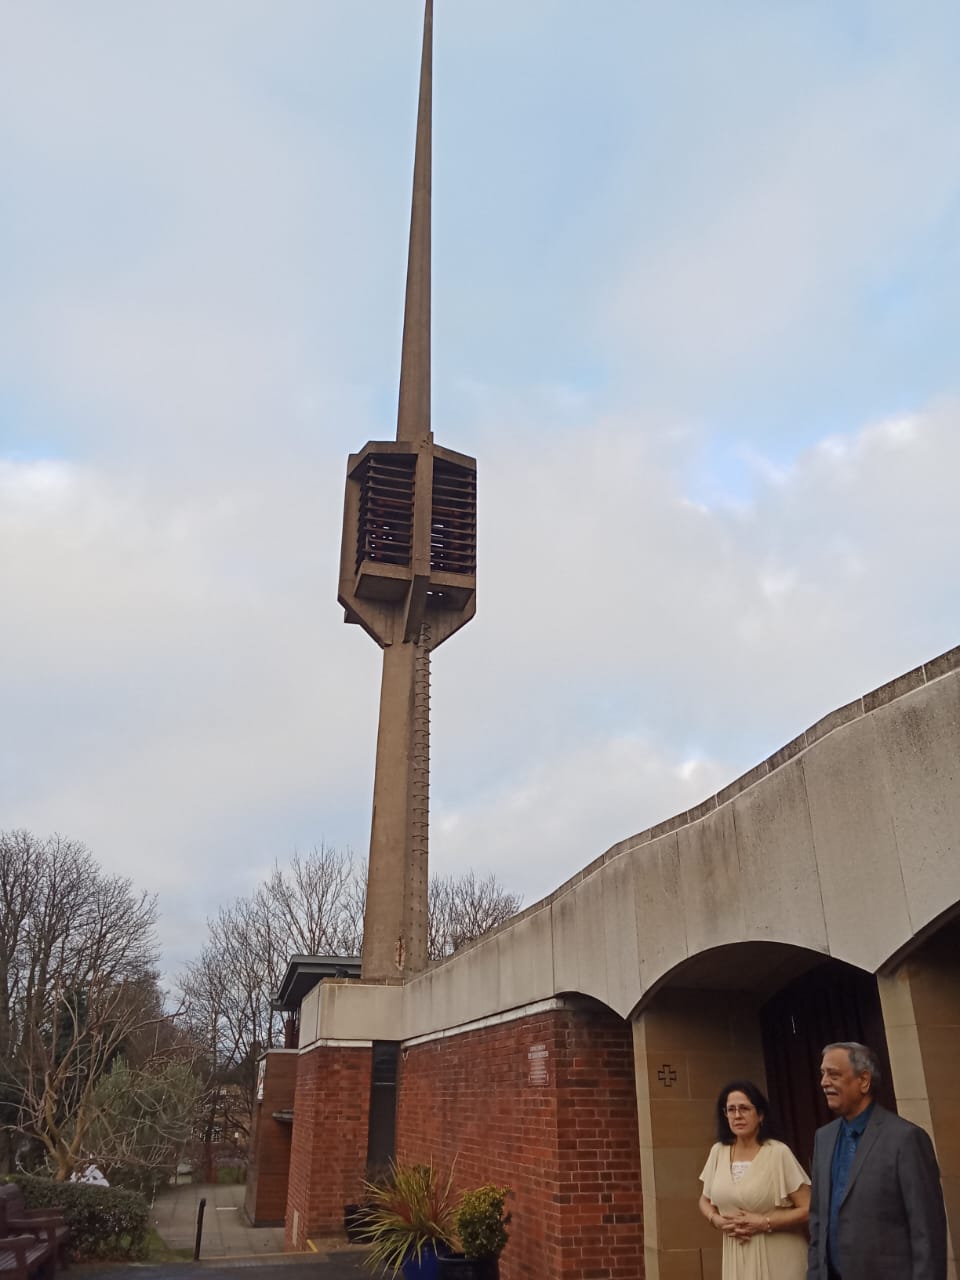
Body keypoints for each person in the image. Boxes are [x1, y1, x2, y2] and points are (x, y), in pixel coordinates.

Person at [807, 1041, 946, 1280]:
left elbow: (927, 1231)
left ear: (864, 1080)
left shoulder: (906, 1139)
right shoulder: (824, 1138)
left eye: (834, 1075)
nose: (824, 1082)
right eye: (822, 1074)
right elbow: (818, 1220)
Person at [699, 1079, 811, 1279]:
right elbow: (705, 1200)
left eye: (744, 1108)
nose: (737, 1115)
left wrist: (765, 1222)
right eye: (731, 1110)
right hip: (737, 1257)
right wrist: (716, 1220)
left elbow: (809, 1208)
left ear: (760, 1115)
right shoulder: (718, 1152)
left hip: (779, 1257)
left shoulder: (778, 1153)